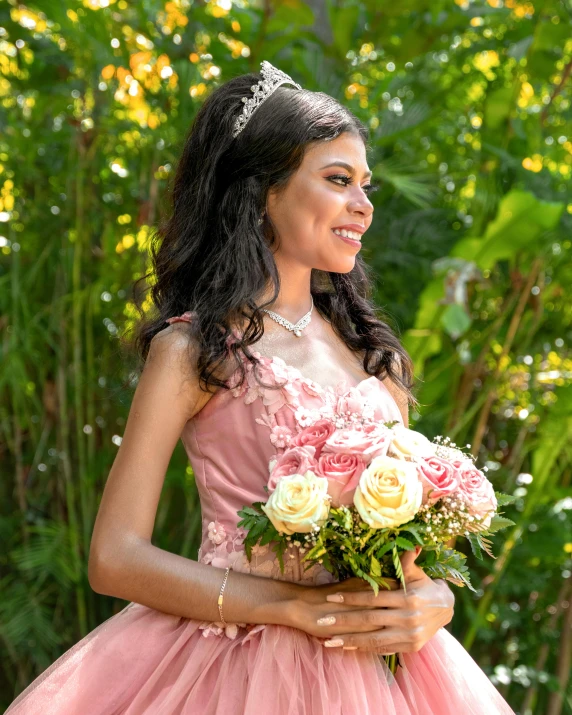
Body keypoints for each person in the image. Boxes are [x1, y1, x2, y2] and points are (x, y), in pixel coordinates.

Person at [6, 61, 515, 714]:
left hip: (385, 675)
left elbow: (413, 554)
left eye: (366, 185)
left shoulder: (376, 357)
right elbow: (114, 555)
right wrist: (291, 605)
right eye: (338, 180)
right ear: (262, 191)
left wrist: (435, 600)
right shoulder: (194, 351)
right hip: (233, 668)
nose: (364, 205)